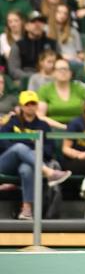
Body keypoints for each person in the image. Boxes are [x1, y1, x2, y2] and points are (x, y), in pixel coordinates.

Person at [0, 91, 72, 220]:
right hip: (7, 163)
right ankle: (49, 172)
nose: (30, 106)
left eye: (33, 103)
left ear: (37, 106)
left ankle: (27, 210)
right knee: (19, 148)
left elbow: (49, 150)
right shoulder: (12, 121)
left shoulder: (43, 125)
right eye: (27, 104)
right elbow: (3, 142)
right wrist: (27, 147)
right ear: (21, 106)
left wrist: (27, 150)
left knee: (26, 168)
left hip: (31, 163)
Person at [37, 57, 85, 124]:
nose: (63, 72)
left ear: (71, 73)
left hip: (78, 128)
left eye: (66, 69)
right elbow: (40, 116)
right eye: (59, 69)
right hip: (53, 129)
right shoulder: (45, 90)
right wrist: (63, 127)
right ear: (53, 72)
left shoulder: (79, 88)